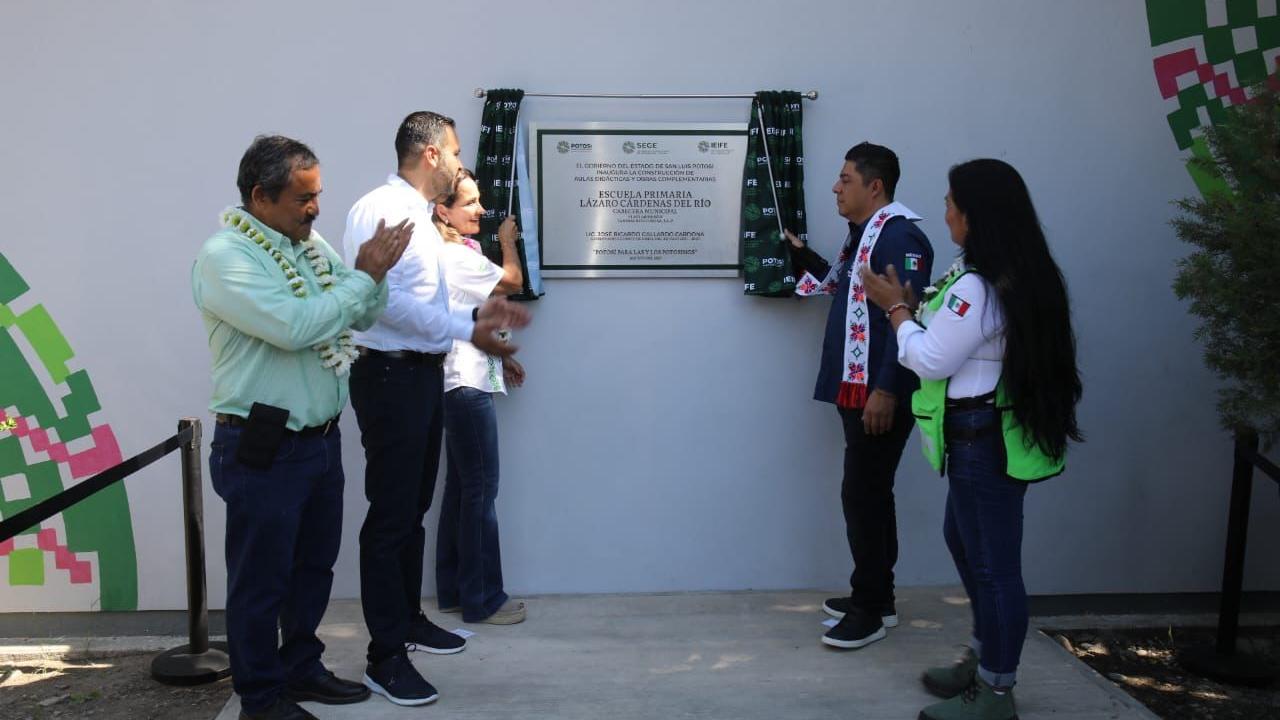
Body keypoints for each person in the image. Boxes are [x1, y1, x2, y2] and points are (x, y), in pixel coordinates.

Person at [193, 135, 412, 720]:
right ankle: (260, 700)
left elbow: (361, 310)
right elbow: (295, 325)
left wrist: (375, 272)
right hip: (262, 441)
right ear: (260, 197)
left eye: (318, 195)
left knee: (312, 567)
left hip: (318, 439)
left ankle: (300, 668)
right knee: (261, 580)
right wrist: (362, 277)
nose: (315, 208)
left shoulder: (306, 244)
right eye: (302, 197)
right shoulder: (226, 256)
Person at [861, 158, 1083, 720]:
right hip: (976, 438)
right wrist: (911, 310)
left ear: (974, 214)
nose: (945, 212)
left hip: (984, 442)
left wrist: (896, 310)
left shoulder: (982, 287)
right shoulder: (988, 274)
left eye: (951, 203)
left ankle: (996, 691)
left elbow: (930, 357)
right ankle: (985, 659)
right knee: (967, 546)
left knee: (993, 566)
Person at [344, 111, 530, 707]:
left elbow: (421, 303)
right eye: (452, 151)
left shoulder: (423, 220)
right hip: (390, 376)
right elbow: (381, 306)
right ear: (429, 154)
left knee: (414, 508)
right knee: (392, 516)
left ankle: (408, 623)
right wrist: (468, 327)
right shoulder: (384, 210)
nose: (458, 160)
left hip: (420, 375)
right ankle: (384, 656)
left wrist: (470, 325)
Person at [788, 142, 933, 650]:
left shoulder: (900, 238)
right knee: (869, 493)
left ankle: (869, 608)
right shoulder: (865, 237)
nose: (835, 186)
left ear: (875, 187)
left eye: (845, 178)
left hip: (878, 392)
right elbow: (852, 290)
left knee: (864, 494)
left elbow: (905, 312)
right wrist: (802, 256)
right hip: (860, 388)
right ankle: (877, 597)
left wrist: (887, 389)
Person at [431, 168, 528, 625]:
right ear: (442, 210)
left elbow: (471, 312)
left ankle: (453, 590)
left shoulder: (451, 253)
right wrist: (508, 240)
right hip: (465, 386)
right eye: (469, 203)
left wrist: (502, 357)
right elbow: (512, 282)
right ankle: (483, 599)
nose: (482, 211)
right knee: (481, 491)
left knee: (461, 491)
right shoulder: (455, 255)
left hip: (460, 381)